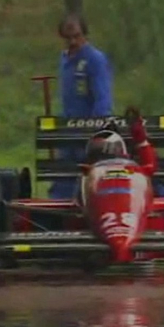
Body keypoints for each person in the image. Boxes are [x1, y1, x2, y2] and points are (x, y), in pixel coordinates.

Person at [49, 13, 114, 199]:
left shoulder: (95, 59)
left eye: (76, 36)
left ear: (84, 34)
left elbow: (103, 99)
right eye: (68, 38)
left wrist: (96, 131)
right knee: (63, 181)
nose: (72, 41)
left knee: (91, 182)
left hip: (88, 132)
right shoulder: (65, 60)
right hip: (68, 130)